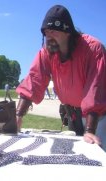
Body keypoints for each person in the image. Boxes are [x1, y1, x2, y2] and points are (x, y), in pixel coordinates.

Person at [15, 5, 106, 151]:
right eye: (46, 33)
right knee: (75, 156)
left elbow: (96, 90)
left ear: (68, 32)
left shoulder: (93, 49)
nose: (48, 37)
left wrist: (89, 130)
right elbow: (34, 80)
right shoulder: (47, 53)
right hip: (73, 114)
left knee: (98, 155)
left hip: (98, 117)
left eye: (53, 32)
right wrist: (18, 115)